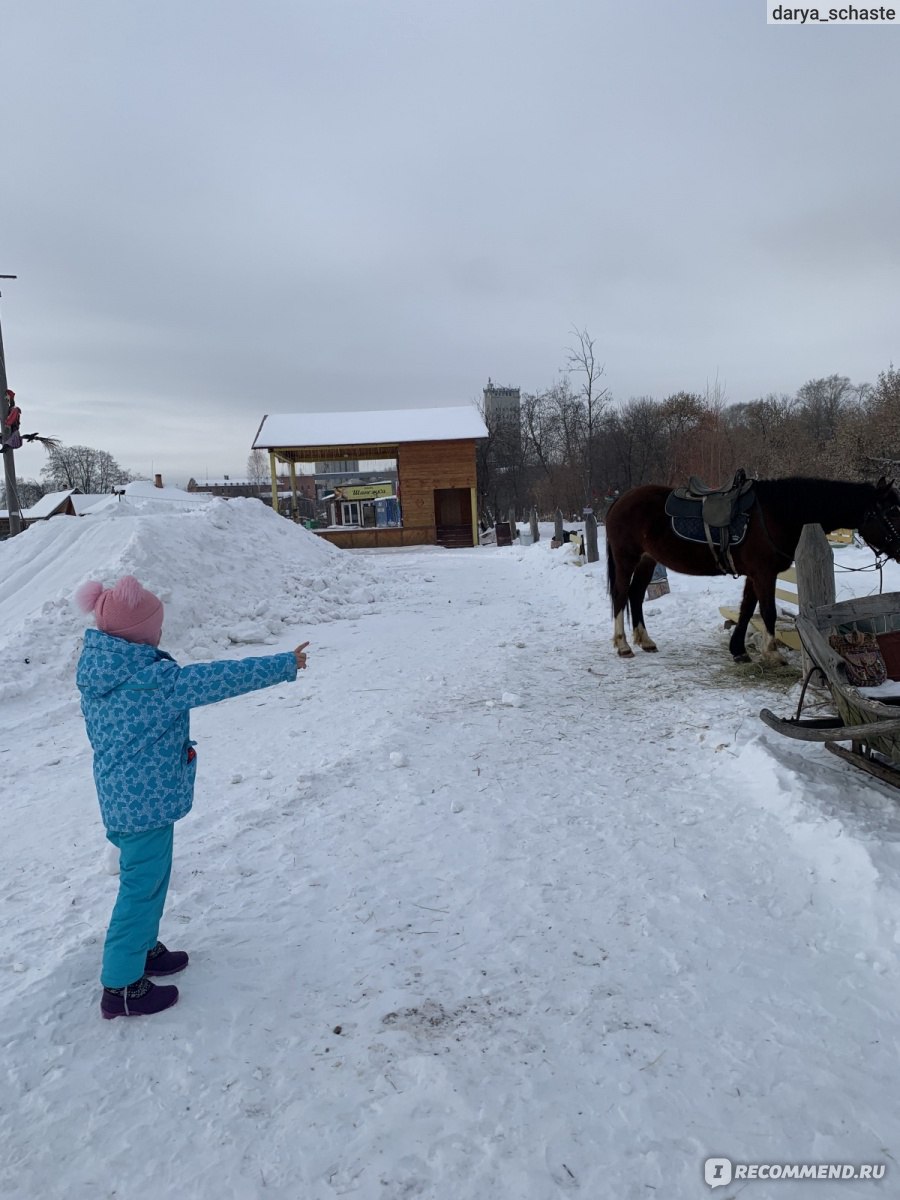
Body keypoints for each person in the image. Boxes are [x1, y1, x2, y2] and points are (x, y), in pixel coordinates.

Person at [75, 575, 309, 1020]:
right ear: (139, 635)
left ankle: (142, 949)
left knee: (149, 880)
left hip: (122, 798)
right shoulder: (154, 682)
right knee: (140, 889)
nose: (160, 634)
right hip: (145, 805)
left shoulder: (101, 671)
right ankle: (121, 985)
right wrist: (284, 664)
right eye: (155, 628)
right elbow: (219, 678)